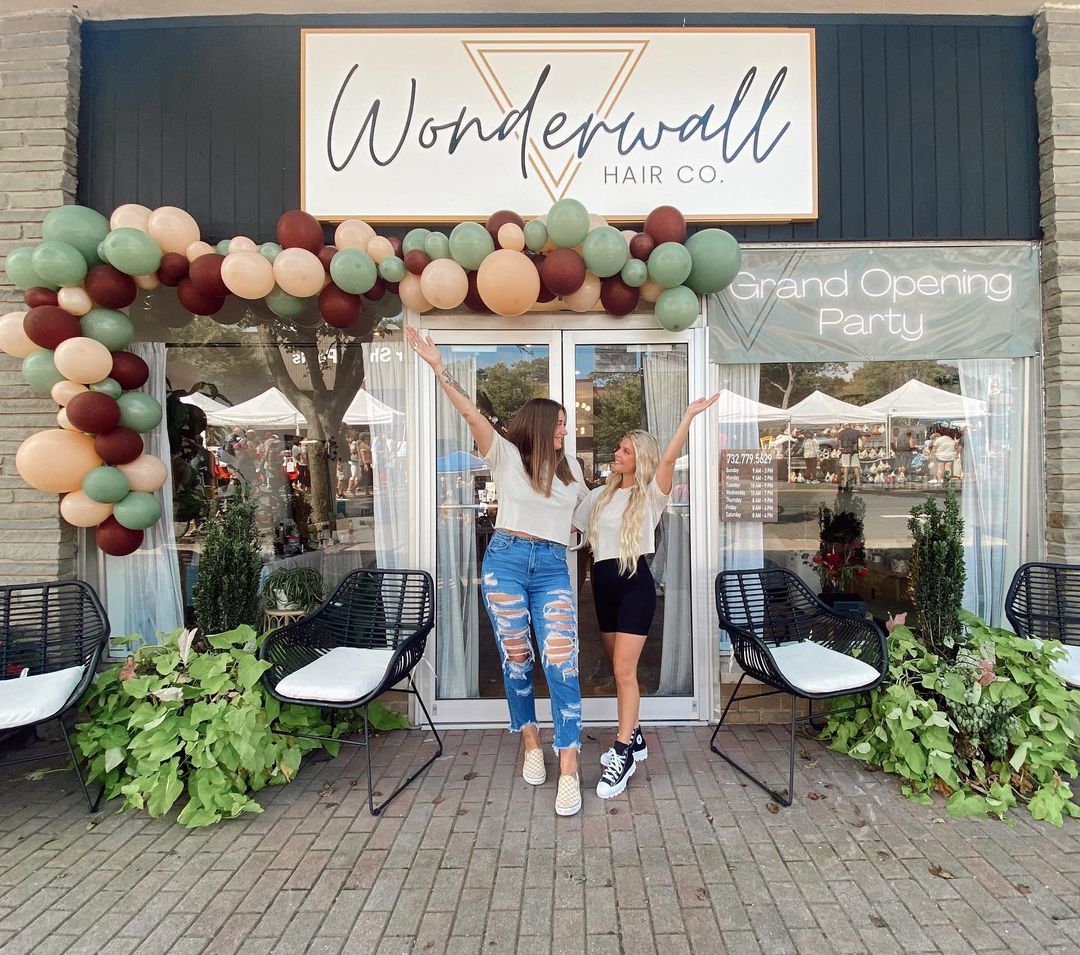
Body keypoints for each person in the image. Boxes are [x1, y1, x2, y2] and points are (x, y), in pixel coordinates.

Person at [407, 326, 589, 816]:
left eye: (566, 425)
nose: (565, 431)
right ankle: (530, 741)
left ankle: (569, 765)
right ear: (540, 425)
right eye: (559, 424)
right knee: (517, 657)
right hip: (506, 560)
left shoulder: (571, 467)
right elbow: (470, 412)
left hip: (551, 565)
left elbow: (585, 512)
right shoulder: (506, 455)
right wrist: (439, 368)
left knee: (561, 661)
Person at [574, 395, 719, 799]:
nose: (617, 454)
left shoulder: (652, 495)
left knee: (625, 672)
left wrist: (687, 416)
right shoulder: (600, 495)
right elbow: (570, 524)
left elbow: (669, 459)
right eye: (619, 448)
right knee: (616, 666)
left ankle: (623, 751)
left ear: (640, 459)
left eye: (625, 450)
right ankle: (634, 736)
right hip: (602, 586)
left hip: (634, 585)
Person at [837, 422, 863, 488]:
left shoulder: (841, 432)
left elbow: (837, 440)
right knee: (856, 466)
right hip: (854, 451)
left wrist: (839, 447)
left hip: (845, 451)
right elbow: (864, 439)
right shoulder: (856, 431)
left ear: (844, 426)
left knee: (846, 466)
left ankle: (845, 482)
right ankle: (858, 481)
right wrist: (862, 446)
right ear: (850, 425)